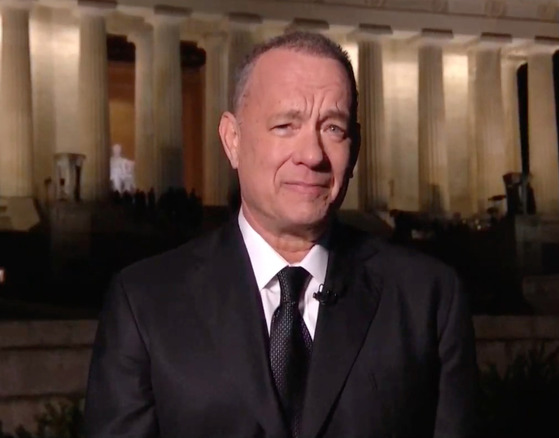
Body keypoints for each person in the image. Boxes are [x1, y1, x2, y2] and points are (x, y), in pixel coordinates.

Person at [85, 32, 477, 438]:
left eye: (333, 130)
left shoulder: (428, 298)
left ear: (355, 150)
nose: (312, 155)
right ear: (232, 140)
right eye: (286, 125)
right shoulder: (145, 302)